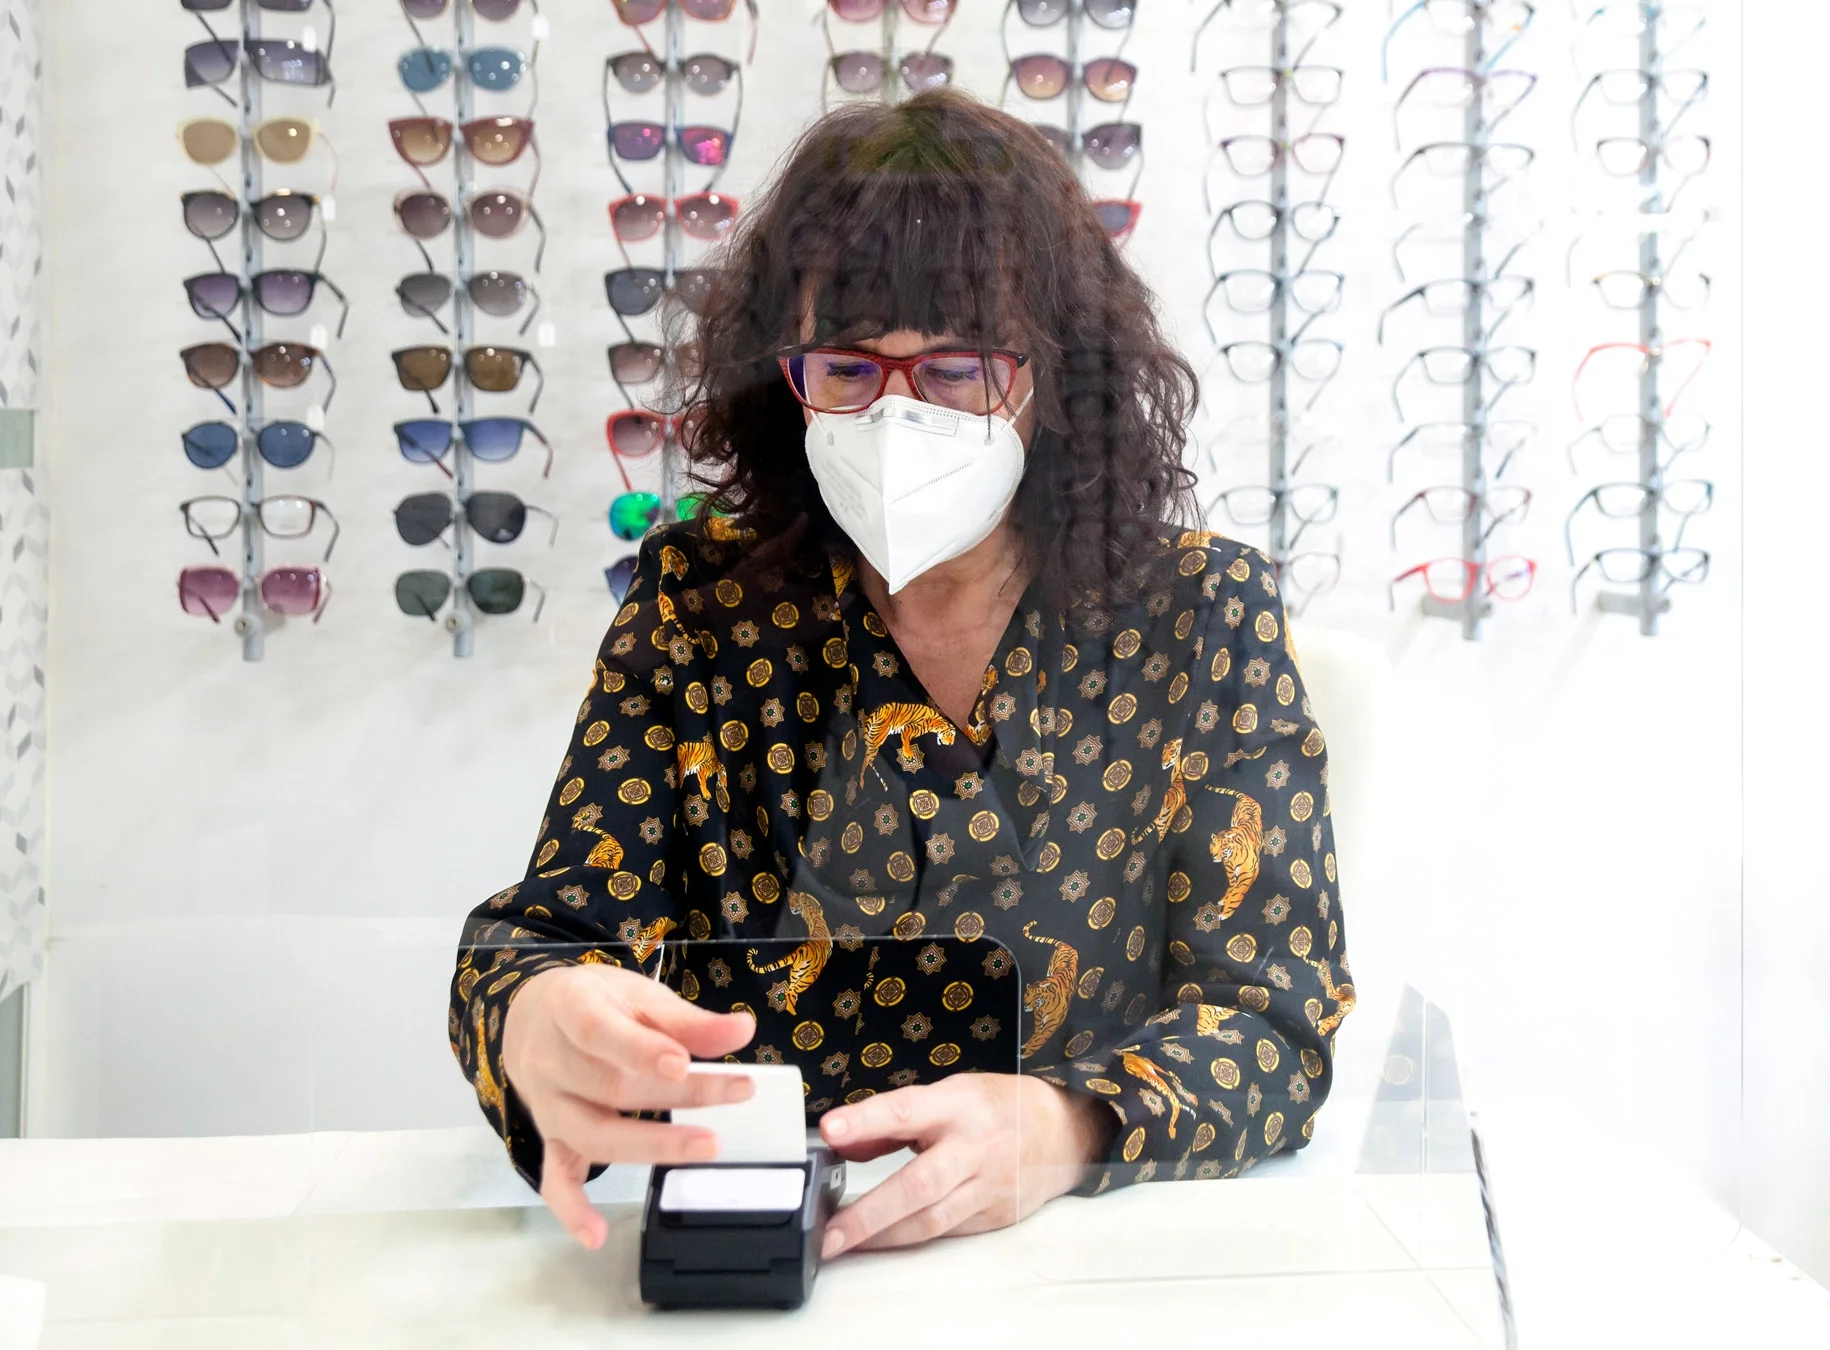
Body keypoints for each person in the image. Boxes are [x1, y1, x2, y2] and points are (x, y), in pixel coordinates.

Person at [449, 90, 1354, 1259]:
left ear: (1053, 377)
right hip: (773, 1255)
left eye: (957, 372)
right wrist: (536, 1018)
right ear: (786, 377)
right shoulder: (703, 610)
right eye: (848, 370)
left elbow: (1279, 1022)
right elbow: (546, 937)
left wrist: (1065, 1125)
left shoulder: (1199, 616)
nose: (896, 414)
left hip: (1101, 1260)